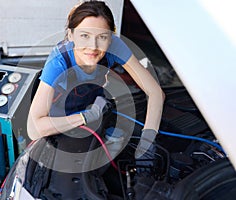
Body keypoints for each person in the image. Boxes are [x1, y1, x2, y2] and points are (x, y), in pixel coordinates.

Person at [26, 0, 165, 199]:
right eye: (84, 36)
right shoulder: (58, 61)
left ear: (110, 38)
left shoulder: (116, 46)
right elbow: (34, 128)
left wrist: (147, 142)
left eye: (102, 37)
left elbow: (155, 92)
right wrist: (85, 116)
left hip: (96, 112)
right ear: (70, 34)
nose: (93, 46)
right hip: (60, 125)